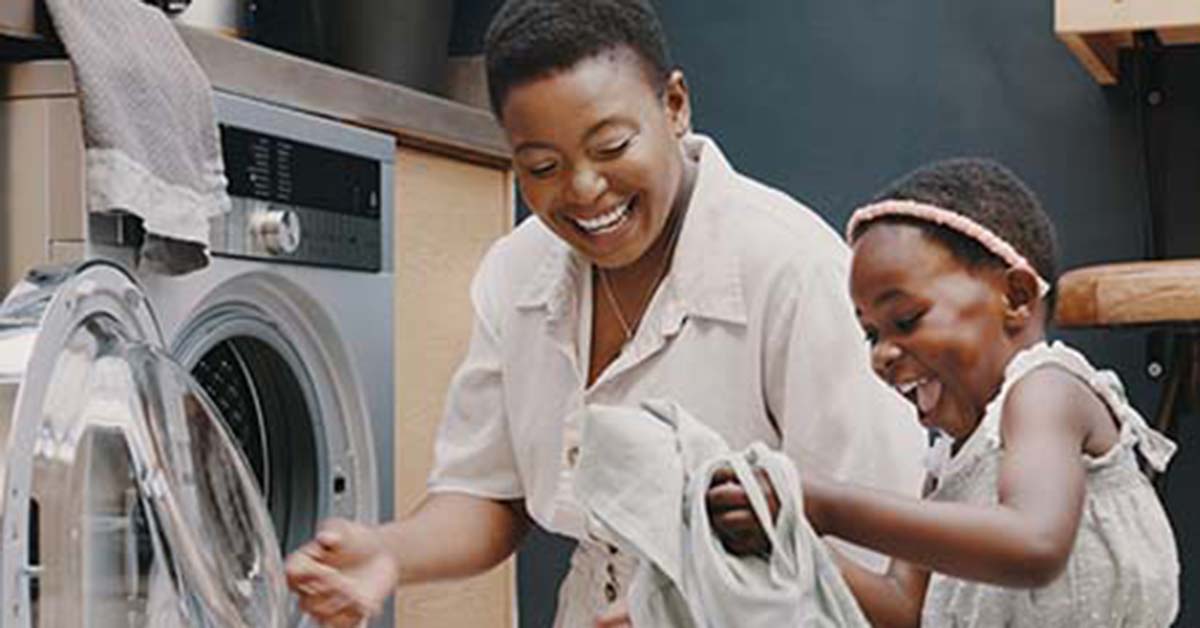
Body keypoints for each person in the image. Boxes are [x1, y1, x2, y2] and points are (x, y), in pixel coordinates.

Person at [284, 1, 925, 626]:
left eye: (612, 146)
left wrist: (692, 608)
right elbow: (490, 492)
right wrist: (389, 554)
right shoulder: (516, 273)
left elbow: (876, 564)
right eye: (543, 166)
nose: (584, 189)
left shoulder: (795, 273)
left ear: (674, 107)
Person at [796, 158, 1180, 626]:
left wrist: (826, 505)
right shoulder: (948, 464)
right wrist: (790, 532)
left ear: (1016, 297)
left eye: (906, 321)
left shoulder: (1046, 390)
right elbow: (903, 607)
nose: (882, 356)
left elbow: (1034, 544)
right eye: (871, 335)